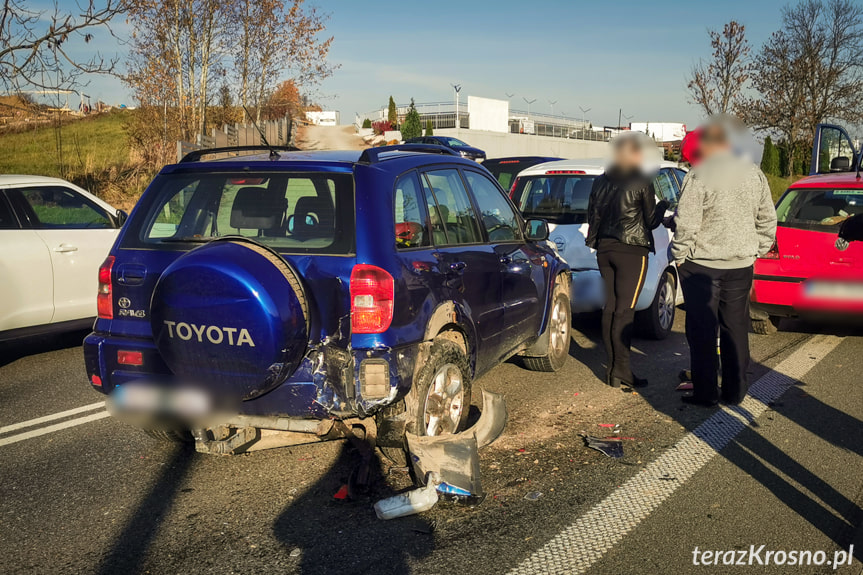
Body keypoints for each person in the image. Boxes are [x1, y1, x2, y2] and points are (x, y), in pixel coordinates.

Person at [671, 117, 777, 406]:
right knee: (736, 329)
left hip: (702, 264)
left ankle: (705, 394)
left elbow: (687, 223)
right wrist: (757, 249)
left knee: (703, 332)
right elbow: (768, 218)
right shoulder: (754, 174)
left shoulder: (699, 175)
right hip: (740, 264)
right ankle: (735, 392)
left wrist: (679, 256)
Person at [586, 132, 669, 389]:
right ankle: (622, 370)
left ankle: (613, 369)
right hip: (632, 251)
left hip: (604, 250)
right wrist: (662, 206)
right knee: (625, 311)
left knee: (610, 308)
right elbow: (650, 221)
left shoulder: (600, 181)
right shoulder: (641, 181)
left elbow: (593, 217)